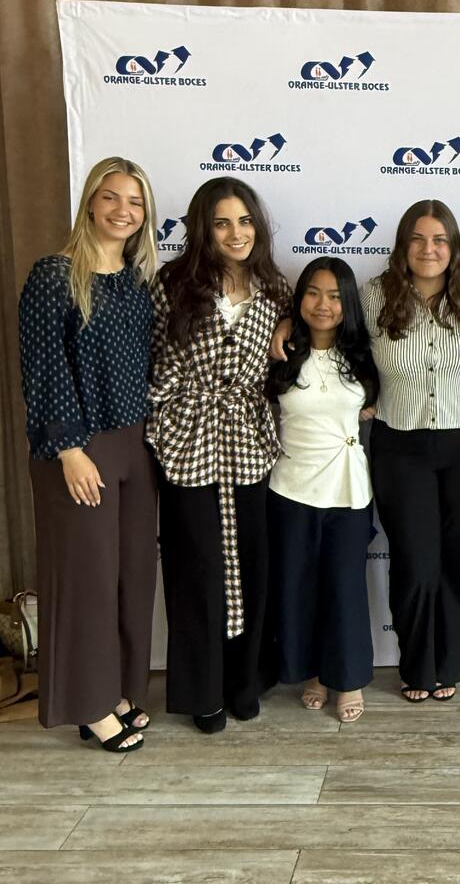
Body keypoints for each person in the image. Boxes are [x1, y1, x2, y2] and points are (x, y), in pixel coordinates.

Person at [18, 156, 159, 752]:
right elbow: (43, 366)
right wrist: (70, 449)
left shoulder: (138, 281)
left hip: (136, 444)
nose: (123, 210)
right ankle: (88, 705)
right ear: (90, 203)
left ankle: (117, 690)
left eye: (135, 201)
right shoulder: (55, 276)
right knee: (85, 580)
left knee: (130, 576)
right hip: (78, 446)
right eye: (111, 197)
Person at [147, 177, 290, 733]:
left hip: (248, 438)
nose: (236, 234)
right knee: (197, 568)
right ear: (203, 229)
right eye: (222, 223)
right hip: (188, 437)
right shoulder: (172, 284)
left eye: (245, 221)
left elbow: (294, 346)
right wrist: (164, 419)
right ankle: (202, 693)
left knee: (252, 563)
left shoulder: (274, 287)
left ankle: (244, 682)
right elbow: (154, 357)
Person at [361, 200, 460, 702]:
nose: (429, 249)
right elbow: (335, 338)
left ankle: (451, 665)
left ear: (454, 247)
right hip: (400, 446)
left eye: (440, 239)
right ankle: (417, 666)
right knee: (415, 562)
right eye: (418, 239)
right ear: (403, 245)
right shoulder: (372, 297)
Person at [266, 257, 379, 722]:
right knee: (300, 587)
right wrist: (283, 326)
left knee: (345, 588)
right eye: (313, 293)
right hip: (291, 487)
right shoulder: (281, 350)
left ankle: (347, 679)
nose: (323, 304)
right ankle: (313, 672)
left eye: (334, 296)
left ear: (347, 302)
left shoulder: (365, 354)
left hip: (349, 489)